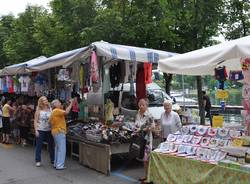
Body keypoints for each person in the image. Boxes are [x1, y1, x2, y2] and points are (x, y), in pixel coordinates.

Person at [134, 99, 155, 182]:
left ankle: (149, 176)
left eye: (143, 104)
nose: (141, 106)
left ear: (146, 106)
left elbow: (152, 127)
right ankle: (146, 175)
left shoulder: (149, 115)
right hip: (140, 138)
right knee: (144, 158)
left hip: (147, 139)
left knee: (147, 158)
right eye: (140, 104)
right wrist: (136, 128)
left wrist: (143, 129)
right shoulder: (138, 113)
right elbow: (136, 123)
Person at [50, 99, 73, 170]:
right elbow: (66, 112)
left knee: (57, 148)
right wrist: (71, 103)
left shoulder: (54, 111)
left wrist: (67, 104)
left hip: (55, 131)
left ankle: (56, 163)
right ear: (55, 104)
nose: (60, 103)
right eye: (59, 102)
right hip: (59, 131)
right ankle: (59, 165)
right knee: (62, 149)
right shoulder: (56, 110)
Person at [34, 96, 54, 167]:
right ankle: (38, 160)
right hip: (41, 129)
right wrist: (36, 130)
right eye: (44, 100)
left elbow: (52, 118)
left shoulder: (50, 109)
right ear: (41, 102)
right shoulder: (38, 110)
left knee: (51, 145)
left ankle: (53, 160)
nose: (46, 101)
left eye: (46, 100)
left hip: (49, 129)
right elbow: (35, 121)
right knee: (39, 145)